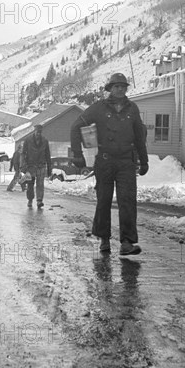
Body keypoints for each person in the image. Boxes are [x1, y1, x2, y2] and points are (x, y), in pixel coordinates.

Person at [71, 73, 148, 256]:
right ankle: (104, 240)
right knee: (103, 201)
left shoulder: (133, 109)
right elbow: (75, 126)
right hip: (105, 162)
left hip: (126, 162)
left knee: (128, 202)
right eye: (116, 86)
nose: (120, 89)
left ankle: (127, 243)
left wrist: (143, 161)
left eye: (123, 86)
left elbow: (139, 136)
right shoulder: (98, 108)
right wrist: (77, 155)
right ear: (110, 89)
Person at [21, 124, 51, 208]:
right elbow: (23, 153)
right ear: (34, 131)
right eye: (37, 132)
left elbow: (48, 155)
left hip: (41, 165)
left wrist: (49, 168)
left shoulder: (45, 141)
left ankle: (39, 201)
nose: (38, 134)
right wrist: (22, 165)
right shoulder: (28, 140)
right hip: (30, 166)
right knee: (30, 184)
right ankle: (30, 200)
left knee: (40, 184)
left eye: (40, 132)